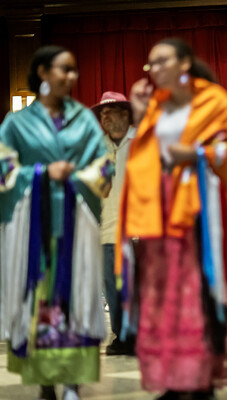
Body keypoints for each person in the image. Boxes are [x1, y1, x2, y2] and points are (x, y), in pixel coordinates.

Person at [119, 37, 227, 400]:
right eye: (149, 64)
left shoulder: (213, 100)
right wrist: (141, 116)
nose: (153, 69)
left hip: (199, 209)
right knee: (165, 295)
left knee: (199, 291)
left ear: (184, 63)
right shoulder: (154, 105)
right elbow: (144, 158)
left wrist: (196, 154)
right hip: (161, 212)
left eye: (161, 61)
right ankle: (173, 378)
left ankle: (201, 377)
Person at [0, 45, 112, 400]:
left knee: (76, 300)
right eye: (64, 69)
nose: (72, 77)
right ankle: (47, 382)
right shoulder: (17, 123)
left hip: (76, 225)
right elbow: (3, 169)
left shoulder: (83, 119)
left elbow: (104, 166)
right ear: (42, 73)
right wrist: (40, 174)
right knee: (41, 301)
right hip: (34, 228)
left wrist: (77, 177)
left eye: (74, 70)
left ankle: (73, 380)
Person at [91, 91, 136, 356]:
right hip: (107, 230)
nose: (105, 117)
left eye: (111, 111)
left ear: (125, 114)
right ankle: (121, 335)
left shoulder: (140, 142)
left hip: (139, 229)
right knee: (113, 286)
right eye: (102, 114)